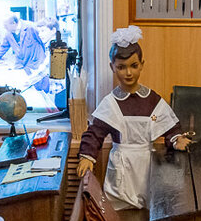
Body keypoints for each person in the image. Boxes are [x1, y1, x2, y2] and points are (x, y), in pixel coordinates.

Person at [75, 26, 190, 210]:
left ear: (142, 65)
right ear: (112, 67)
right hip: (121, 167)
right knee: (120, 211)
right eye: (121, 67)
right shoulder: (110, 103)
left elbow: (170, 127)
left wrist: (177, 140)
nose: (128, 73)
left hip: (147, 164)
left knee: (150, 209)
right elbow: (95, 133)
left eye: (133, 66)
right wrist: (87, 156)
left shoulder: (152, 100)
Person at [0, 13, 49, 91]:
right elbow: (3, 47)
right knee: (22, 90)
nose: (4, 27)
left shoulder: (31, 27)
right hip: (21, 66)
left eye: (5, 25)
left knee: (40, 90)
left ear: (14, 23)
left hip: (35, 65)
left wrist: (44, 59)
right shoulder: (8, 33)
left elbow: (44, 42)